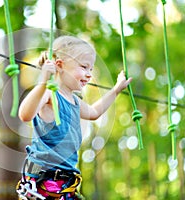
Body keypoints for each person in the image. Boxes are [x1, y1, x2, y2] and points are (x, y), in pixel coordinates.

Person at [16, 35, 132, 200]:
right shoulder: (50, 94)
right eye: (84, 67)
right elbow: (25, 114)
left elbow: (94, 112)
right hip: (42, 176)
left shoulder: (75, 101)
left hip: (65, 180)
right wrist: (43, 81)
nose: (89, 74)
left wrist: (116, 90)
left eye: (91, 69)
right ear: (60, 65)